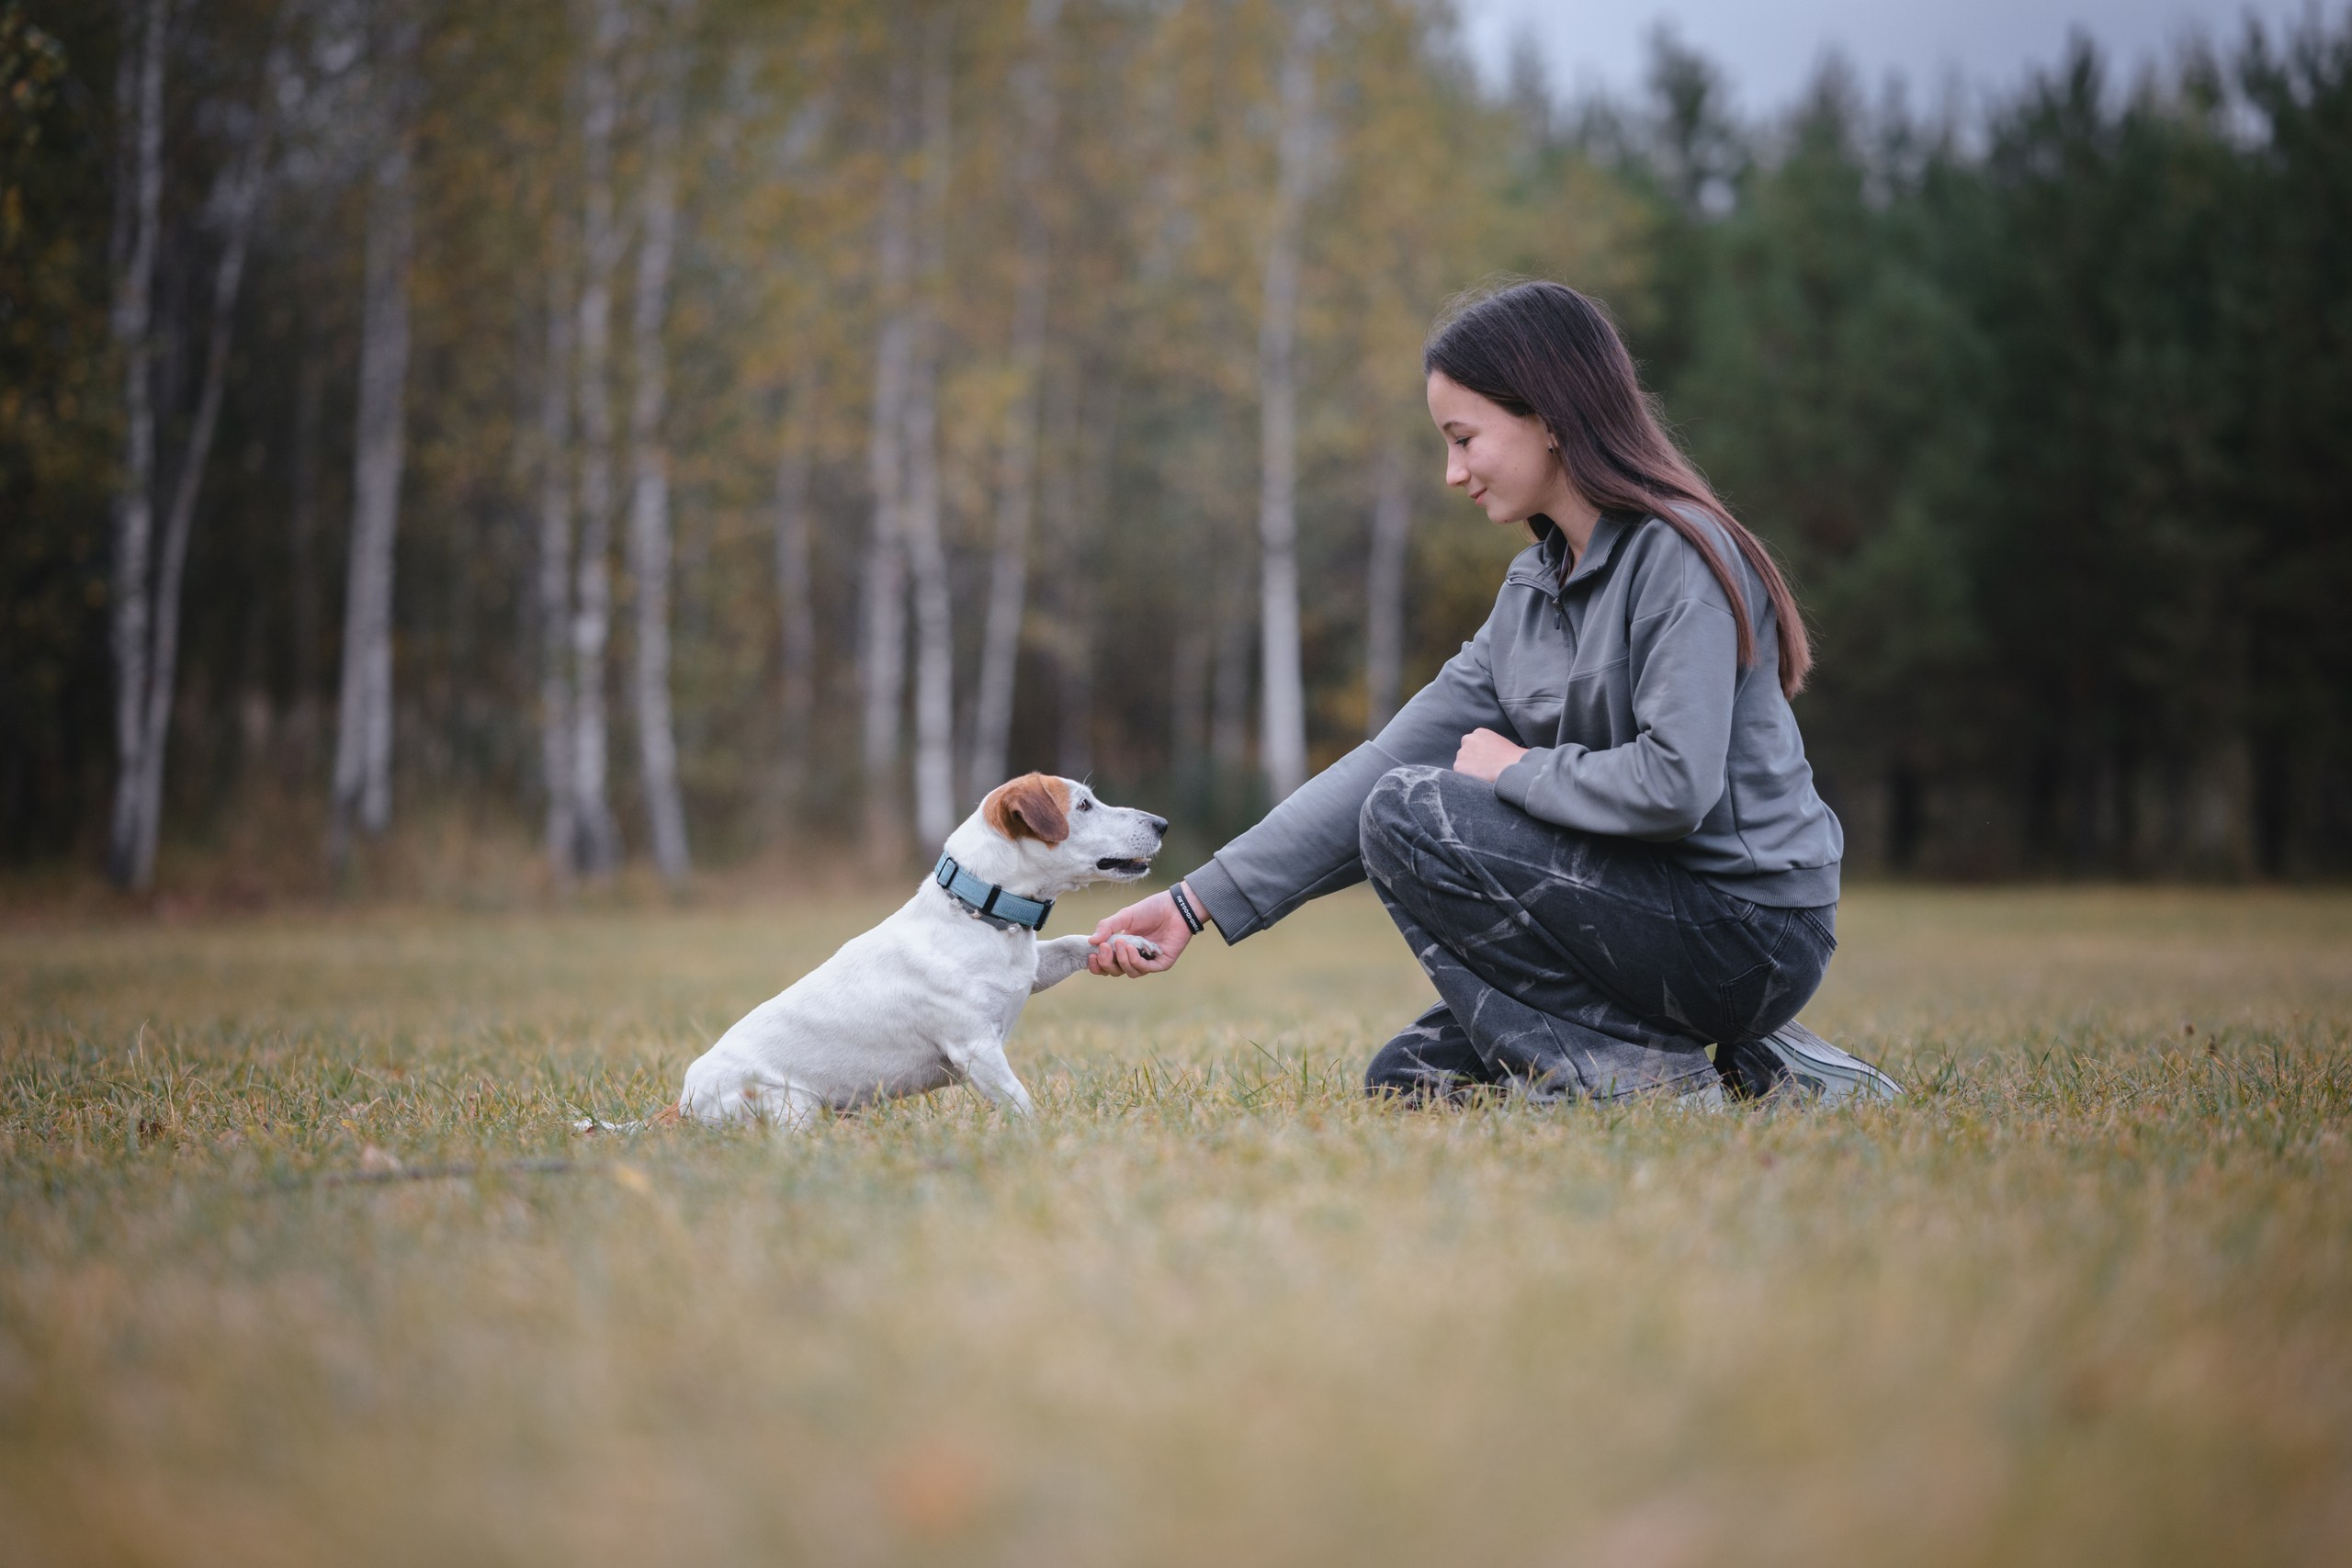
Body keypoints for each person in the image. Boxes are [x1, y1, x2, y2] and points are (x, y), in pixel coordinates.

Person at [1086, 279, 1901, 1106]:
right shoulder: (1534, 589)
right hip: (1635, 922)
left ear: (1548, 416)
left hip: (1748, 935)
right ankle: (1764, 1069)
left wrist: (1514, 770)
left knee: (1410, 811)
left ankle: (1650, 1082)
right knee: (1411, 1081)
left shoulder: (1680, 557)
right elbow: (1382, 765)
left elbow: (1676, 785)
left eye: (1464, 438)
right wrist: (1193, 904)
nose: (1452, 472)